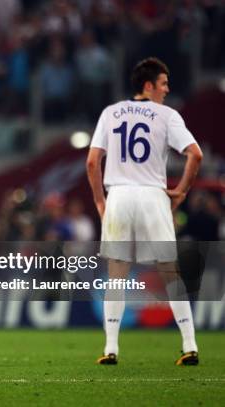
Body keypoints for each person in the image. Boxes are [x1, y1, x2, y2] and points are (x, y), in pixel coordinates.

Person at [86, 57, 203, 366]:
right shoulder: (167, 115)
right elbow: (195, 155)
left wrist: (100, 201)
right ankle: (189, 345)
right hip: (153, 196)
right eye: (163, 83)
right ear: (148, 86)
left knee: (117, 275)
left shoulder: (110, 113)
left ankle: (111, 349)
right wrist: (181, 191)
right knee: (169, 272)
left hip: (119, 196)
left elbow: (92, 161)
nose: (167, 89)